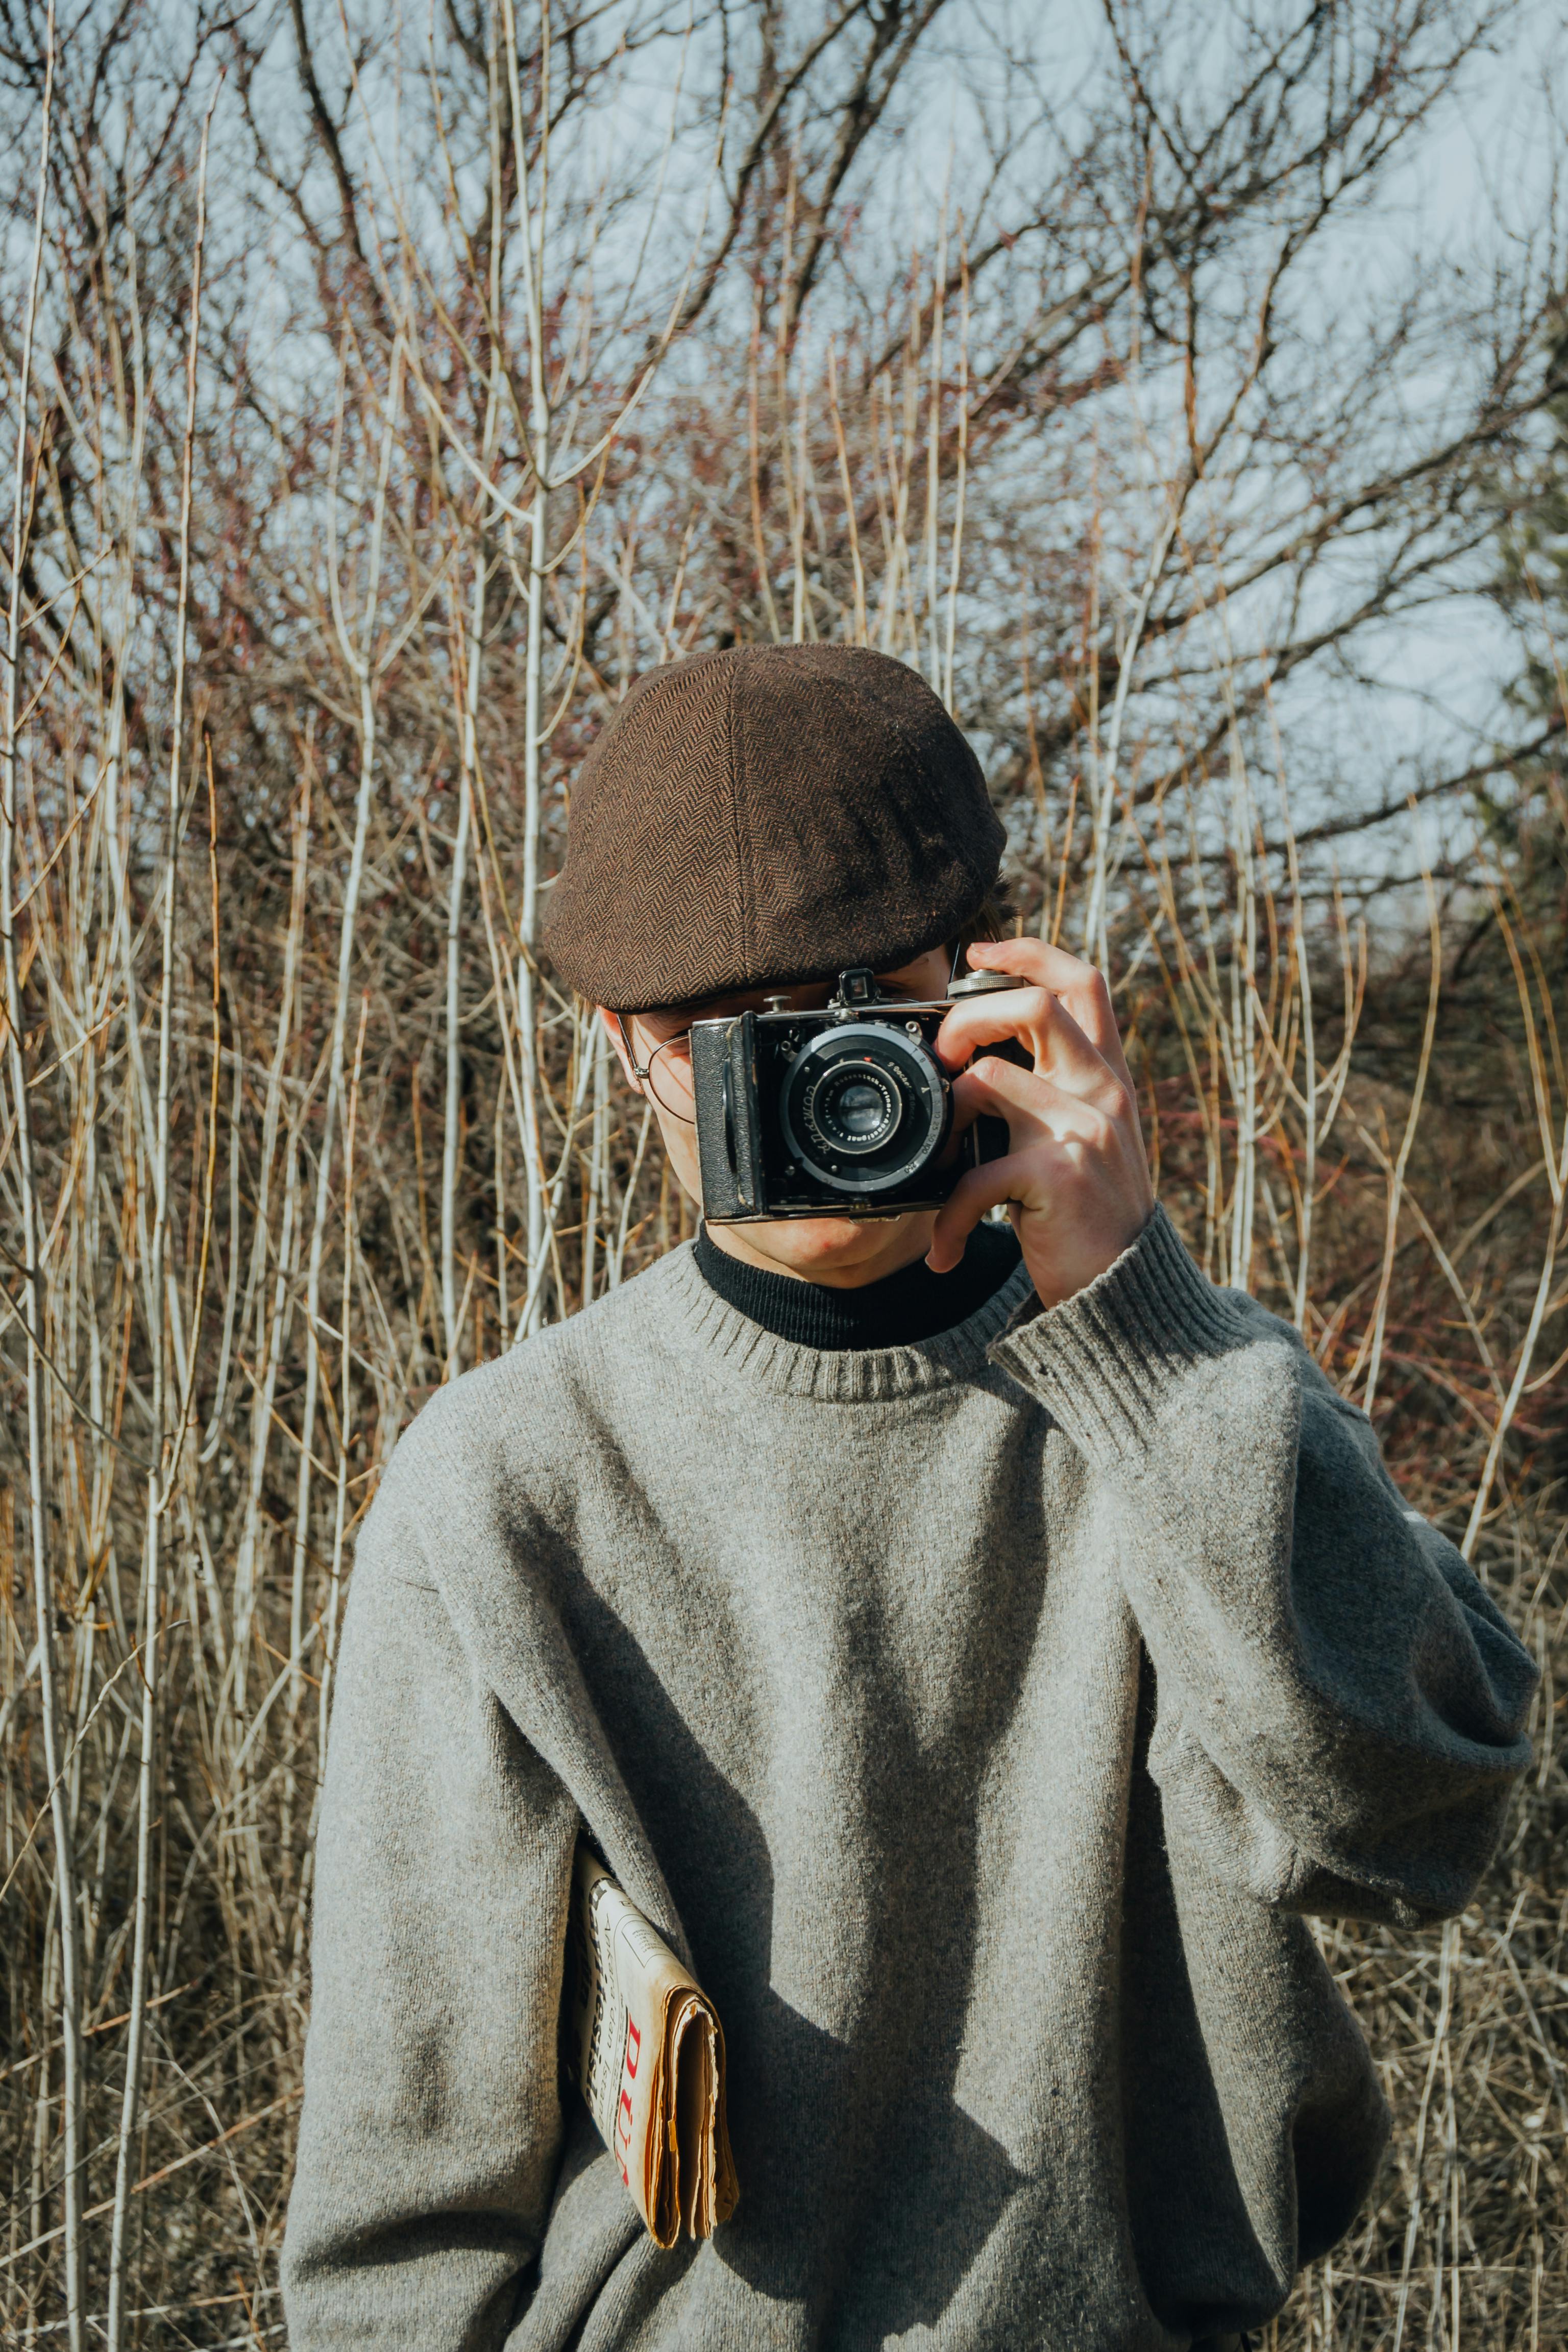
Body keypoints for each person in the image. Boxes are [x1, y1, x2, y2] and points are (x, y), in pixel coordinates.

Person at [280, 644, 1535, 2352]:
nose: (813, 1080)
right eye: (721, 1032)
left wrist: (1138, 1313)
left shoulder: (1179, 1400)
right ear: (609, 1039)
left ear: (990, 977)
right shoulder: (504, 1489)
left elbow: (1422, 1827)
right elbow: (402, 2213)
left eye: (865, 1000)